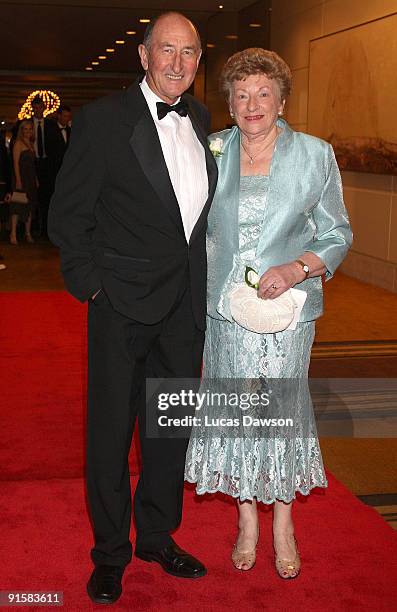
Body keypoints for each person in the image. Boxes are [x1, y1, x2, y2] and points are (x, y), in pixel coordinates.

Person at [48, 12, 217, 605]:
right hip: (121, 305)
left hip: (183, 309)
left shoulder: (199, 117)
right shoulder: (100, 121)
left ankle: (156, 537)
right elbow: (67, 217)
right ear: (142, 56)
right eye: (165, 49)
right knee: (111, 434)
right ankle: (111, 553)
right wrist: (95, 287)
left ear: (200, 61)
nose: (177, 62)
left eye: (189, 52)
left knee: (169, 432)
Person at [185, 48, 352, 578]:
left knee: (278, 415)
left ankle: (283, 525)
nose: (252, 103)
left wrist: (299, 268)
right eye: (241, 94)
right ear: (229, 104)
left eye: (263, 92)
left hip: (287, 312)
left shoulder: (315, 155)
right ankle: (246, 522)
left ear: (282, 99)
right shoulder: (210, 151)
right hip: (225, 312)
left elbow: (337, 233)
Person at [31, 95, 57, 236]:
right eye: (35, 108)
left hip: (48, 166)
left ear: (44, 108)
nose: (38, 110)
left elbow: (57, 149)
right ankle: (33, 227)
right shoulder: (26, 125)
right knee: (32, 197)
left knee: (47, 198)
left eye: (40, 107)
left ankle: (46, 229)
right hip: (31, 164)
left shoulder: (51, 125)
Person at [9, 119, 37, 245]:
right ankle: (13, 233)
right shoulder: (18, 143)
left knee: (30, 206)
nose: (27, 131)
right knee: (17, 206)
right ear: (21, 130)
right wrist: (18, 180)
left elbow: (33, 164)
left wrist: (36, 179)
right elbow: (15, 164)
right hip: (20, 177)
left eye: (30, 129)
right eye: (25, 129)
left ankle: (27, 233)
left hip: (30, 178)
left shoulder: (31, 143)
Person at [50, 106, 72, 177]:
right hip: (54, 167)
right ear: (59, 116)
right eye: (65, 116)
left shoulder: (71, 131)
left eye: (69, 116)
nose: (67, 119)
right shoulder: (50, 130)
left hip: (68, 166)